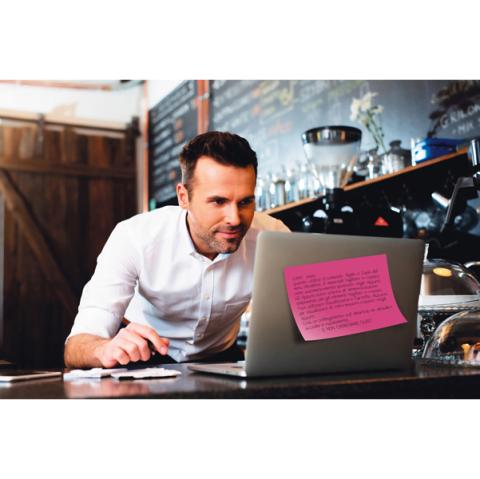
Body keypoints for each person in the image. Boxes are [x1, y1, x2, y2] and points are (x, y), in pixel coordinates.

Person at [64, 131, 289, 369]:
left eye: (245, 202)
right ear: (183, 197)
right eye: (218, 201)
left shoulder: (275, 238)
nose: (234, 219)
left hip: (221, 355)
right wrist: (102, 349)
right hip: (143, 354)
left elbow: (312, 319)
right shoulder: (134, 237)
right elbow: (77, 346)